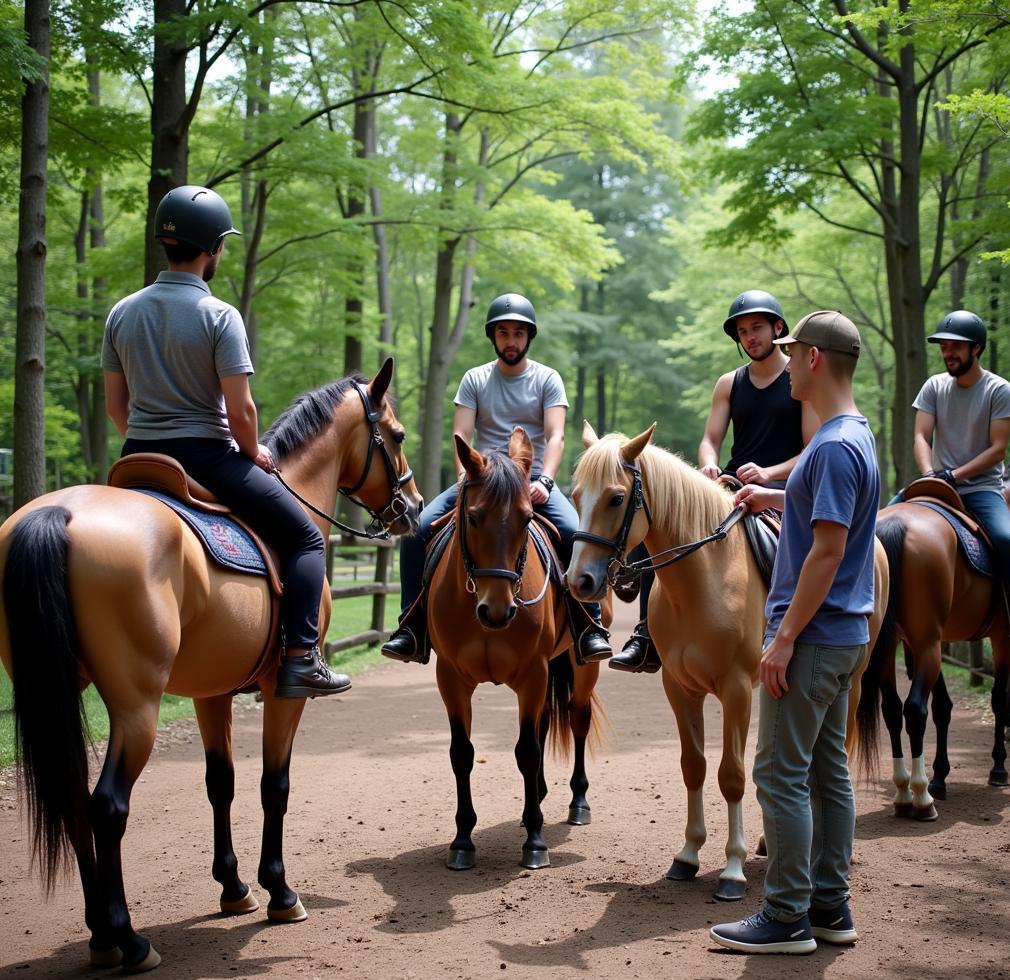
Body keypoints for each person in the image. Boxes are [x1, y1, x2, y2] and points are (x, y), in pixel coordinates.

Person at [102, 184, 351, 700]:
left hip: (138, 458)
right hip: (208, 457)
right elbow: (241, 409)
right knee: (305, 538)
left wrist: (149, 435)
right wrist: (253, 449)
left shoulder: (122, 312)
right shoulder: (220, 316)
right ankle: (302, 658)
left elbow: (115, 407)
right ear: (213, 248)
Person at [710, 310, 879, 954]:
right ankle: (831, 907)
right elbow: (826, 513)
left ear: (812, 360)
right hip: (844, 635)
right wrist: (771, 500)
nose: (781, 361)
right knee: (827, 772)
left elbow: (827, 552)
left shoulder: (832, 446)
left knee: (779, 774)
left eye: (790, 349)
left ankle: (785, 914)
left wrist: (781, 640)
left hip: (809, 639)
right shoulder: (851, 435)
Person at [380, 293, 612, 665]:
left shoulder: (547, 379)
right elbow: (462, 436)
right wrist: (467, 479)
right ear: (493, 337)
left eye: (518, 333)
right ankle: (411, 626)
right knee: (418, 529)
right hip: (481, 478)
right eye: (503, 333)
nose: (510, 341)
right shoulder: (474, 379)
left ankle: (589, 627)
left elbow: (556, 436)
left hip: (530, 480)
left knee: (572, 532)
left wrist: (546, 483)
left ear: (528, 337)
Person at [612, 289, 818, 673]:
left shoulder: (798, 379)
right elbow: (710, 440)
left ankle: (787, 630)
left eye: (757, 327)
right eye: (742, 331)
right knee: (662, 526)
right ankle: (646, 634)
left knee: (793, 545)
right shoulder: (729, 383)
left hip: (779, 489)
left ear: (778, 327)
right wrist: (708, 465)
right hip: (730, 486)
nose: (750, 336)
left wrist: (769, 474)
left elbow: (811, 449)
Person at [911, 309, 1010, 640]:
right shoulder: (933, 386)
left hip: (982, 488)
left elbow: (998, 449)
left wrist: (954, 476)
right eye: (944, 347)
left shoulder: (998, 390)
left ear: (976, 348)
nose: (948, 353)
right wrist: (930, 474)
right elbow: (921, 436)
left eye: (955, 347)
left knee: (1007, 538)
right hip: (936, 483)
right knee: (882, 520)